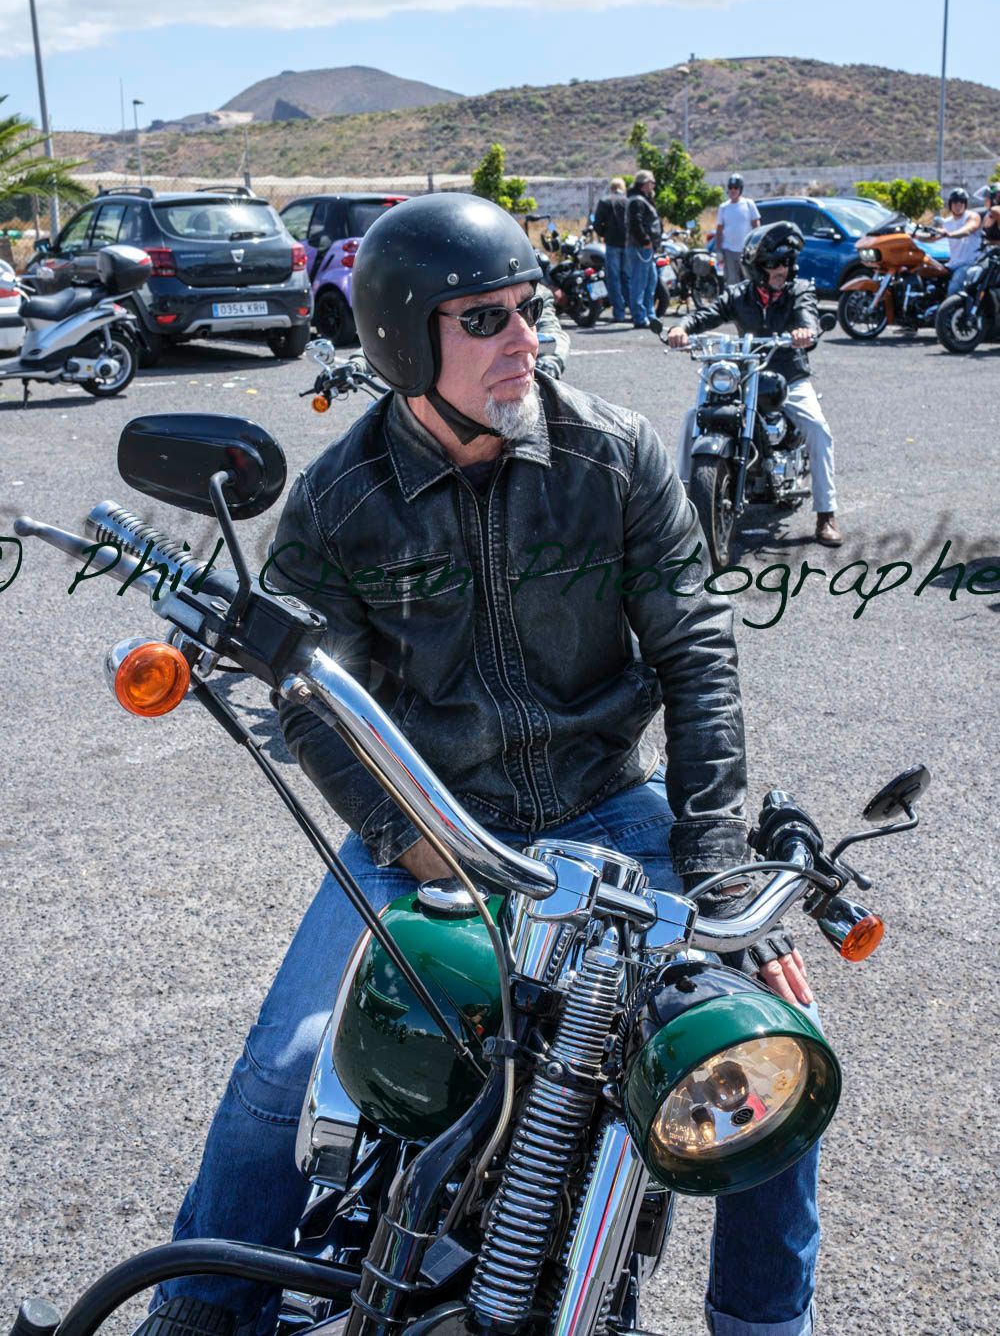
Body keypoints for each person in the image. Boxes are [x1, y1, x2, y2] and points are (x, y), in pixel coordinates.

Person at [140, 193, 821, 1336]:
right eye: (485, 317)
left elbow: (698, 651)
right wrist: (398, 831)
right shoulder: (341, 499)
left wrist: (716, 866)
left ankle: (762, 1325)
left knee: (761, 1060)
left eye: (528, 308)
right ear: (406, 340)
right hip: (430, 826)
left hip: (608, 809)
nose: (524, 338)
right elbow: (307, 702)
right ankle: (202, 1310)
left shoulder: (613, 455)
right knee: (285, 1070)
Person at [669, 221, 842, 548]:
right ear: (757, 267)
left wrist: (805, 332)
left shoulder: (798, 291)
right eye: (774, 264)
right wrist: (681, 327)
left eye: (786, 263)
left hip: (789, 375)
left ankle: (826, 514)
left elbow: (808, 316)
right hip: (746, 375)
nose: (782, 270)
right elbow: (707, 314)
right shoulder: (739, 295)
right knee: (694, 416)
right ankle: (683, 501)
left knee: (818, 428)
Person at [625, 169, 661, 328]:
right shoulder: (636, 201)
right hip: (640, 248)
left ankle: (650, 314)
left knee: (651, 280)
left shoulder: (643, 199)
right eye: (651, 182)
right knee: (639, 283)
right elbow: (636, 223)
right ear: (644, 183)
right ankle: (639, 317)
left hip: (646, 248)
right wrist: (645, 240)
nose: (653, 185)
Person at [593, 175, 630, 322]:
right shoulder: (628, 201)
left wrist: (605, 234)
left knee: (614, 279)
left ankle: (619, 313)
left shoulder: (605, 201)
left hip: (612, 244)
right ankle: (634, 311)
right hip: (628, 244)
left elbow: (597, 224)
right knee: (627, 278)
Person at [934, 187, 982, 295]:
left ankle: (950, 305)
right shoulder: (947, 223)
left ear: (965, 204)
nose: (958, 205)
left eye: (961, 202)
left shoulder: (972, 216)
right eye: (955, 202)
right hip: (952, 264)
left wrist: (950, 234)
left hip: (970, 264)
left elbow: (968, 229)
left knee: (953, 289)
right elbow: (933, 237)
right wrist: (913, 235)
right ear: (950, 204)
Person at [715, 175, 760, 286]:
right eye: (731, 187)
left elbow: (756, 225)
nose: (733, 190)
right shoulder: (723, 207)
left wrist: (756, 245)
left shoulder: (749, 204)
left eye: (736, 187)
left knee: (749, 281)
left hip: (746, 251)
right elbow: (719, 230)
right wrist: (718, 250)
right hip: (729, 251)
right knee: (732, 283)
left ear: (740, 189)